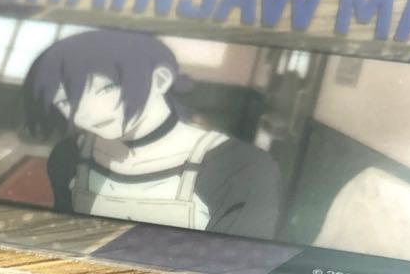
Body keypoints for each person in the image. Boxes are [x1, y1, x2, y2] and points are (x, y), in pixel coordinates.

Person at [24, 29, 281, 239]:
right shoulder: (69, 155)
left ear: (160, 79)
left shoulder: (241, 167)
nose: (88, 112)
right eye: (65, 101)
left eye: (107, 88)